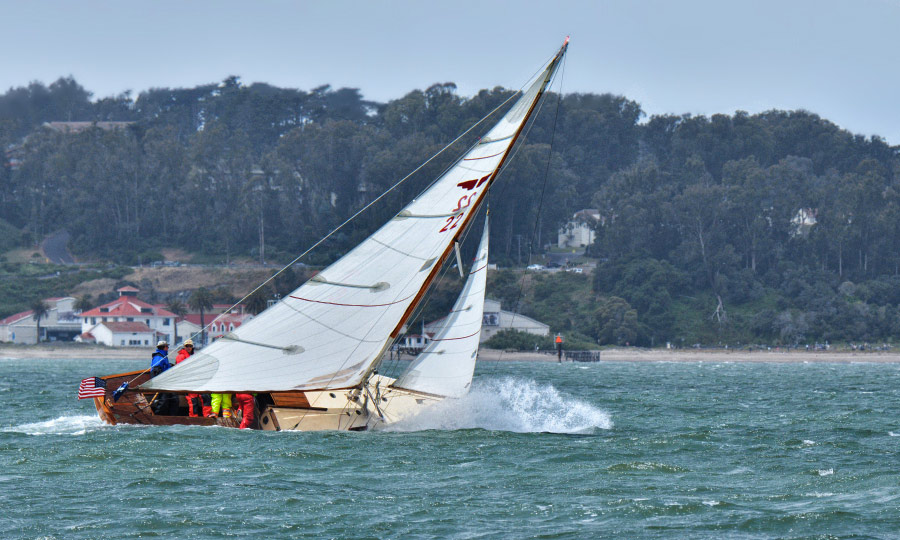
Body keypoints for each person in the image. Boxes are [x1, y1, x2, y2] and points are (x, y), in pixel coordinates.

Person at [176, 339, 205, 417]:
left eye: (190, 346)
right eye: (187, 346)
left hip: (195, 381)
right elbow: (181, 370)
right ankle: (193, 417)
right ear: (184, 347)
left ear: (192, 347)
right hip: (187, 382)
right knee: (193, 400)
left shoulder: (193, 356)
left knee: (205, 396)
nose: (188, 347)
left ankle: (207, 415)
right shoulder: (181, 356)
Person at [149, 341, 177, 415]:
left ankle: (172, 417)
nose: (168, 348)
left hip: (167, 382)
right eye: (167, 347)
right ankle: (158, 416)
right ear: (164, 347)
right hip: (161, 383)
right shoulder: (158, 357)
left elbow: (164, 367)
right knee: (163, 400)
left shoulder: (163, 356)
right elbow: (156, 370)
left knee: (174, 398)